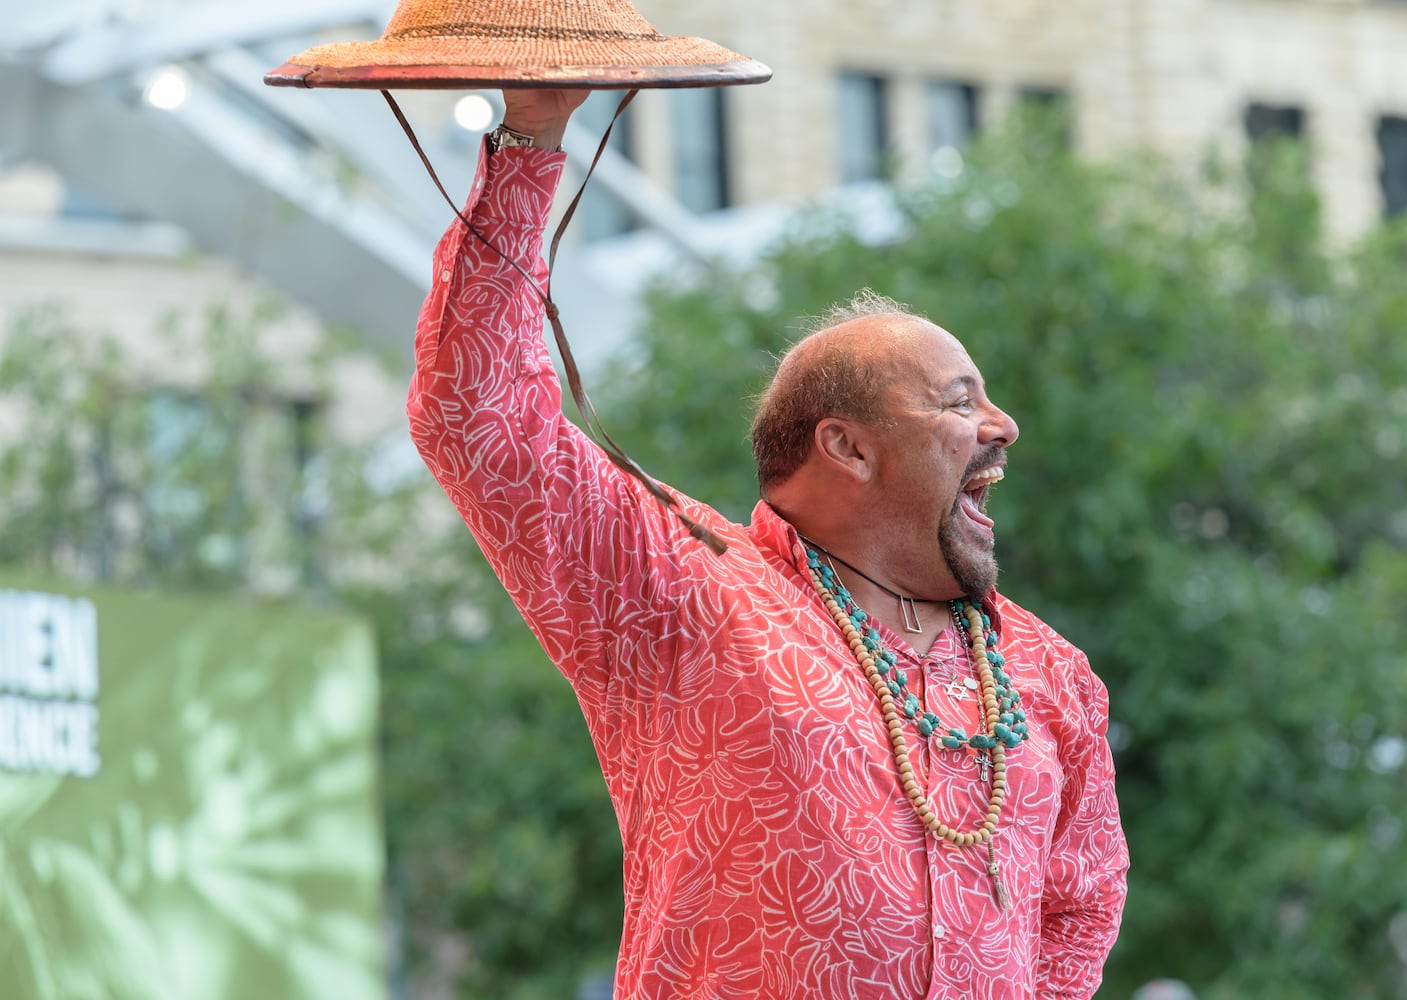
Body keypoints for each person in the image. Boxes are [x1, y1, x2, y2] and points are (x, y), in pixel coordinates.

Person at [407, 88, 1128, 999]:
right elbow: (479, 420)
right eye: (957, 402)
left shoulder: (1052, 673)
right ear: (848, 446)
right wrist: (533, 137)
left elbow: (1079, 910)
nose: (1005, 425)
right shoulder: (684, 586)